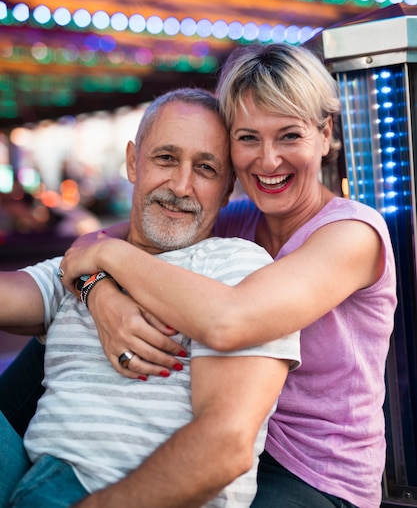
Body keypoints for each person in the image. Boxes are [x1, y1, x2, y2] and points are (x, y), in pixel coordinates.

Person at [59, 43, 397, 508]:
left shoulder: (352, 235)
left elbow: (230, 320)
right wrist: (99, 295)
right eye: (248, 138)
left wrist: (109, 263)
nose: (268, 160)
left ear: (325, 134)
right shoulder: (236, 220)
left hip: (315, 474)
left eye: (289, 136)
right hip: (240, 439)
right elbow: (89, 247)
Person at [0, 88, 300, 508]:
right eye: (166, 158)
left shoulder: (238, 266)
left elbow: (225, 446)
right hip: (32, 477)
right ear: (132, 161)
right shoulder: (81, 266)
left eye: (206, 169)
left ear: (229, 185)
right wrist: (97, 281)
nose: (181, 185)